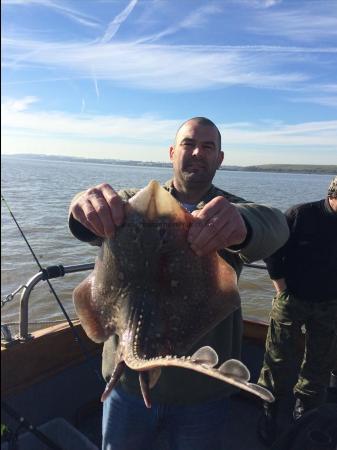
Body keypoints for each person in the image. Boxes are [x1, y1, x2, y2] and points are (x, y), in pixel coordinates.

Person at [69, 117, 289, 450]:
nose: (198, 152)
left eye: (208, 147)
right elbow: (86, 218)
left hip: (200, 391)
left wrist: (242, 225)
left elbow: (277, 226)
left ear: (220, 159)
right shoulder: (132, 205)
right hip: (125, 383)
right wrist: (82, 206)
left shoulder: (227, 210)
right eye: (188, 144)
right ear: (172, 152)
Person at [257, 176, 337, 445]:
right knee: (278, 359)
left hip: (330, 302)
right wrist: (281, 287)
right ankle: (269, 407)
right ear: (332, 196)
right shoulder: (300, 214)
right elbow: (272, 250)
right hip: (292, 298)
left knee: (320, 361)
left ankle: (305, 409)